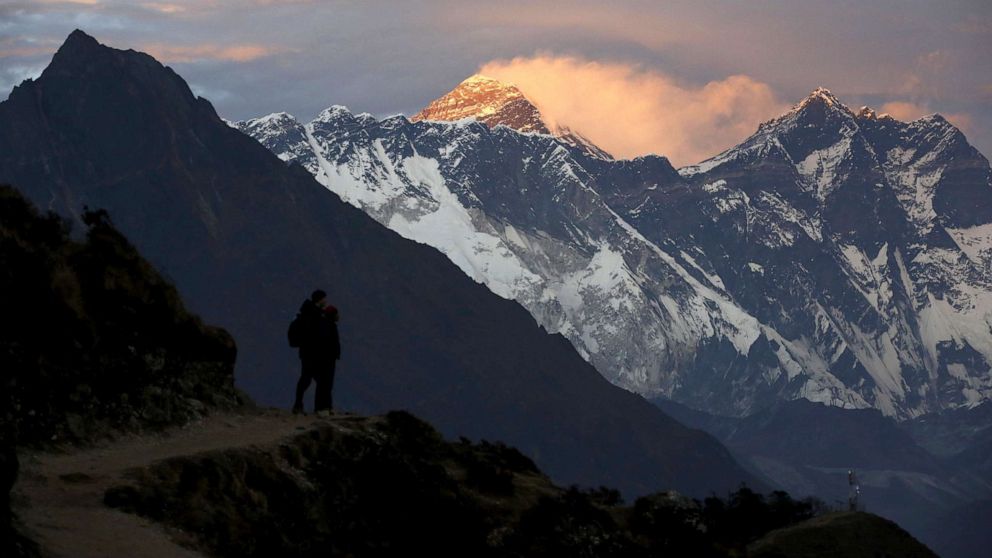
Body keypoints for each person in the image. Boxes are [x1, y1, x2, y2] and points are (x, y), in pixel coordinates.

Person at [292, 289, 341, 415]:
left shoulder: (311, 313)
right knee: (313, 379)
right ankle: (316, 407)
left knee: (309, 379)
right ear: (320, 299)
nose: (326, 300)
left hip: (309, 353)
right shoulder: (314, 315)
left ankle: (303, 405)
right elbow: (317, 336)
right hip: (312, 354)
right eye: (324, 298)